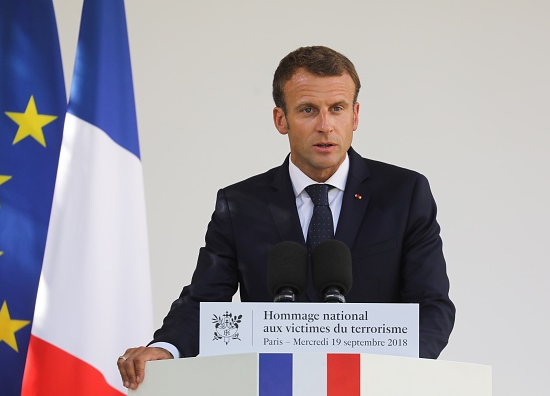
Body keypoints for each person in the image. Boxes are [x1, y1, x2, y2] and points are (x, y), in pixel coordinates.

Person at [117, 46, 455, 391]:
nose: (325, 125)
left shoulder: (404, 193)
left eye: (336, 109)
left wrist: (394, 375)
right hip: (272, 385)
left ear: (354, 116)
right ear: (281, 119)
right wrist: (165, 348)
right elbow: (205, 301)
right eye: (308, 110)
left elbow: (432, 306)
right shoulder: (240, 204)